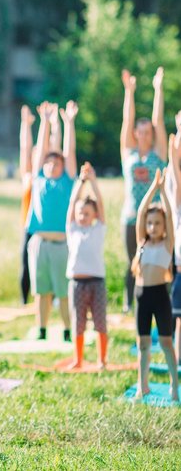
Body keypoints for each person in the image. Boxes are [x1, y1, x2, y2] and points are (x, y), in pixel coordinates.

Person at [27, 101, 78, 341]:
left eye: (56, 163)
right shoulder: (38, 179)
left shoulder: (68, 180)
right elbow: (40, 152)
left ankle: (68, 329)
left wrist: (68, 123)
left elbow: (70, 152)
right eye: (48, 162)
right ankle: (42, 329)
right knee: (41, 291)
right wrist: (45, 122)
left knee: (63, 291)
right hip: (39, 244)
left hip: (61, 245)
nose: (51, 165)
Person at [120, 67, 167, 313]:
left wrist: (158, 88)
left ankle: (162, 299)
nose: (145, 134)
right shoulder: (128, 153)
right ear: (136, 134)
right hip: (131, 217)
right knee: (133, 260)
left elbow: (158, 120)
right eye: (141, 131)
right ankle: (130, 303)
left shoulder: (157, 155)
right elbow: (127, 121)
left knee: (160, 260)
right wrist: (130, 91)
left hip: (156, 216)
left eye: (149, 131)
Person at [132, 168, 179, 400]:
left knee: (166, 342)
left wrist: (164, 193)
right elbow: (141, 212)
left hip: (160, 295)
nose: (152, 227)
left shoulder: (167, 245)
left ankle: (174, 385)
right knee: (142, 344)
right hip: (141, 295)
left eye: (156, 224)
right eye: (150, 224)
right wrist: (153, 188)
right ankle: (143, 385)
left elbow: (170, 217)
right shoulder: (142, 242)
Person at [65, 162, 108, 369]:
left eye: (87, 214)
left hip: (96, 282)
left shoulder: (98, 229)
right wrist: (81, 182)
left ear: (94, 216)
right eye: (80, 213)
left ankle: (101, 360)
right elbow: (73, 201)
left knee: (100, 322)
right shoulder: (72, 229)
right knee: (78, 323)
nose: (82, 216)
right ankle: (78, 359)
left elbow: (99, 203)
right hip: (76, 283)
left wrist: (93, 182)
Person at [166, 123, 181, 364]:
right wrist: (173, 151)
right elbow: (176, 178)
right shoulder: (178, 211)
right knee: (179, 318)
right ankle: (178, 359)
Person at [19, 105, 36, 305]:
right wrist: (26, 125)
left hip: (47, 227)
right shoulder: (29, 177)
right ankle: (24, 300)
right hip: (28, 225)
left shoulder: (48, 178)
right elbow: (25, 149)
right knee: (25, 264)